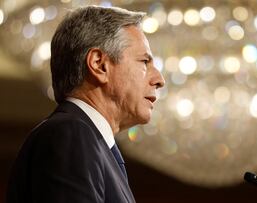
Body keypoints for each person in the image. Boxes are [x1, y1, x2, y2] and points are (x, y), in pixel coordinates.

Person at [7, 5, 165, 203]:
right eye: (144, 62)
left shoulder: (91, 142)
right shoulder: (70, 133)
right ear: (99, 64)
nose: (159, 79)